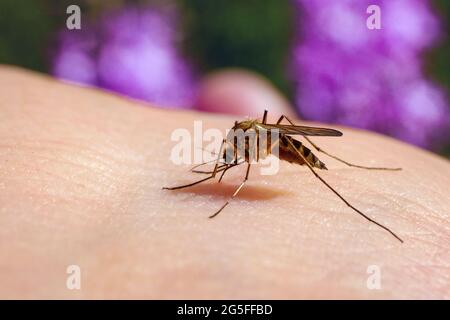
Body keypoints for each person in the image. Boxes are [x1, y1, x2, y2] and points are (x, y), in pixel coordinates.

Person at [0, 65, 448, 299]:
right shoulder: (240, 137)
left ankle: (351, 181)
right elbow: (238, 150)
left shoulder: (255, 138)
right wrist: (218, 169)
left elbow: (253, 149)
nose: (228, 158)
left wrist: (233, 178)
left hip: (287, 142)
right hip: (269, 136)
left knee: (282, 135)